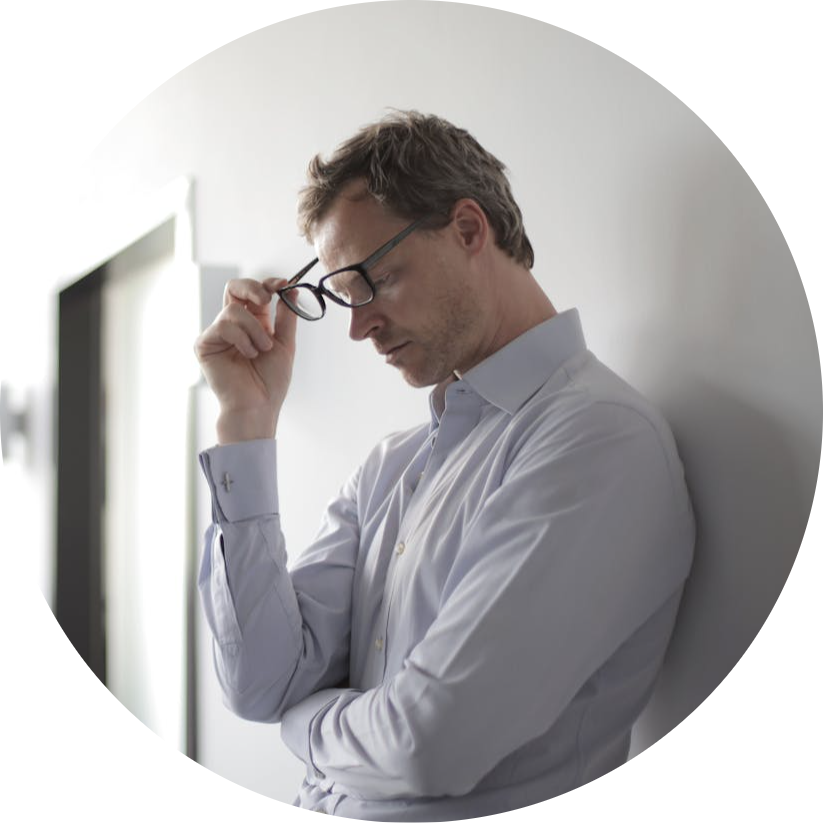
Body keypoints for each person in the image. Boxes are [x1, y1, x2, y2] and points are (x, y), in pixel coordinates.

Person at [194, 111, 695, 819]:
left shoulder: (598, 438)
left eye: (373, 279)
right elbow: (258, 681)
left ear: (467, 229)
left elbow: (427, 745)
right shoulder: (389, 466)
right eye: (340, 295)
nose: (358, 326)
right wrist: (245, 424)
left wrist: (303, 725)